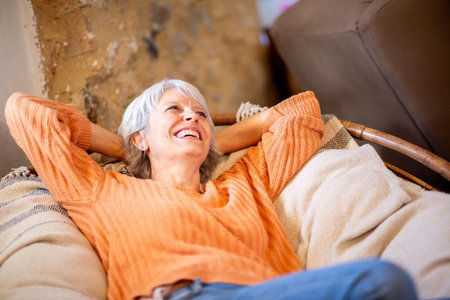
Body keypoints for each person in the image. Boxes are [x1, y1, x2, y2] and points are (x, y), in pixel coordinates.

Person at [5, 79, 417, 300]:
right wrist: (122, 145)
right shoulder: (104, 191)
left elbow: (303, 114)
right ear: (142, 137)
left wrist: (214, 141)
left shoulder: (246, 181)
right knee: (380, 282)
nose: (194, 116)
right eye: (175, 109)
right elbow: (26, 112)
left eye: (201, 113)